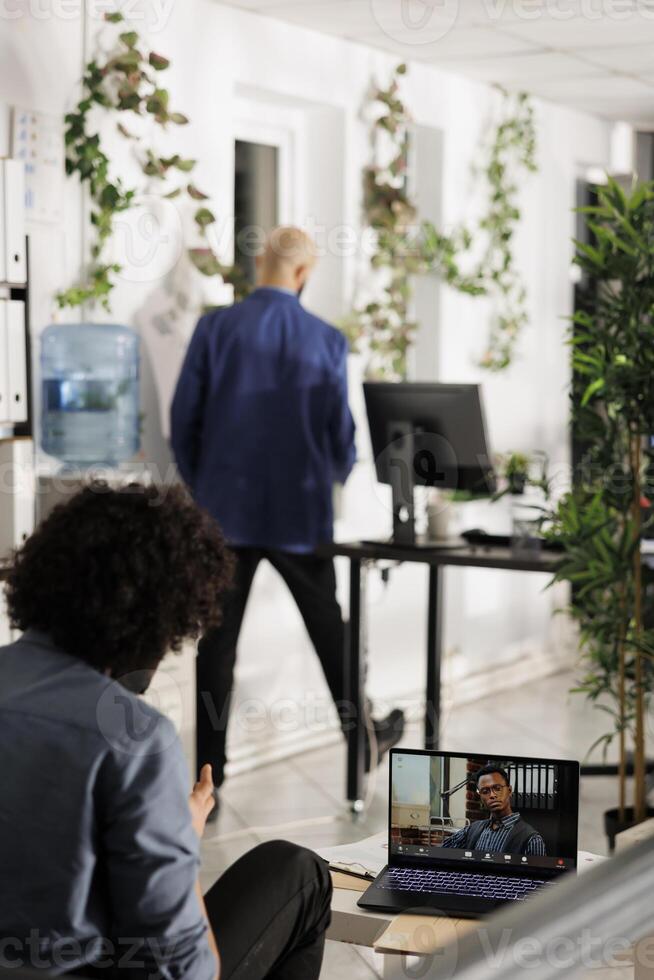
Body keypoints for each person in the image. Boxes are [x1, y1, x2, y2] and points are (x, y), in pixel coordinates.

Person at [0, 484, 332, 979]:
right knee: (300, 874)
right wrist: (182, 836)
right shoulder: (132, 737)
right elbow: (185, 971)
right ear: (160, 619)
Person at [171, 226, 404, 812]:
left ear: (260, 268)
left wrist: (208, 487)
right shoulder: (325, 339)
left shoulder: (215, 327)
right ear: (303, 274)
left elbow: (183, 421)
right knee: (333, 637)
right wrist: (327, 477)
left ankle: (208, 782)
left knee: (217, 650)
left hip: (225, 515)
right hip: (301, 515)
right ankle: (362, 745)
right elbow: (341, 437)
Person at [441, 764, 547, 856]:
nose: (492, 795)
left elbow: (537, 878)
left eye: (497, 788)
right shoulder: (472, 830)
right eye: (485, 791)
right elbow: (439, 852)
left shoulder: (531, 839)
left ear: (509, 791)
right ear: (481, 797)